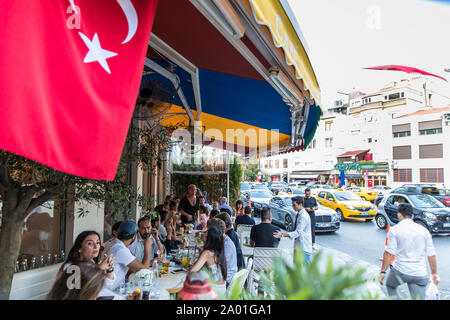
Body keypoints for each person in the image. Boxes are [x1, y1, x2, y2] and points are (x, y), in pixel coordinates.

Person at [379, 203, 439, 300]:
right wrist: (434, 273)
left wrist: (383, 272)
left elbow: (389, 253)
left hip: (400, 271)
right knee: (418, 297)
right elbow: (431, 255)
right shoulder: (424, 231)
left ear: (399, 215)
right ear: (412, 216)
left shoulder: (395, 230)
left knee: (390, 285)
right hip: (420, 273)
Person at [60, 231, 116, 297]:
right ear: (79, 248)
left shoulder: (92, 262)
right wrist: (99, 269)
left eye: (97, 243)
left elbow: (108, 284)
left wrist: (109, 270)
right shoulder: (71, 266)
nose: (96, 246)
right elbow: (76, 291)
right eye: (90, 243)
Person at [105, 220, 152, 289]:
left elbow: (132, 269)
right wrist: (147, 247)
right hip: (112, 291)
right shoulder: (121, 249)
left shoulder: (116, 244)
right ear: (134, 236)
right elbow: (144, 270)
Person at [274, 196, 312, 264]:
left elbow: (297, 232)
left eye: (294, 205)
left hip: (303, 248)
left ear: (300, 204)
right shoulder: (299, 214)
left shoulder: (303, 216)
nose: (292, 207)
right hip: (299, 246)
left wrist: (282, 234)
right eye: (292, 205)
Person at [190, 225, 227, 294]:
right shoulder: (218, 250)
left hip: (214, 290)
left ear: (208, 238)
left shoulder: (207, 253)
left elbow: (192, 272)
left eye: (205, 232)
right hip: (221, 288)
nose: (202, 233)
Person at [206, 218, 237, 286]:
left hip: (226, 281)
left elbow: (219, 265)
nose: (207, 233)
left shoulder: (227, 245)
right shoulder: (222, 240)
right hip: (222, 277)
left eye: (208, 231)